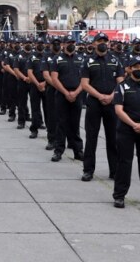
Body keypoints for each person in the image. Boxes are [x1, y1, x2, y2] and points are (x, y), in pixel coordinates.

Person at [80, 32, 124, 181]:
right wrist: (100, 96)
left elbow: (120, 82)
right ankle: (88, 170)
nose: (102, 43)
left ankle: (114, 170)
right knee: (91, 137)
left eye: (104, 41)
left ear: (109, 43)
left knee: (113, 138)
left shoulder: (115, 60)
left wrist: (111, 96)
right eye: (99, 41)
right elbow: (85, 84)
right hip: (94, 102)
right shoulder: (88, 61)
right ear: (93, 44)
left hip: (111, 103)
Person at [50, 35, 85, 162]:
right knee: (61, 123)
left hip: (77, 94)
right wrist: (66, 92)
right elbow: (54, 78)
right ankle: (58, 151)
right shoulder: (57, 59)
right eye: (68, 42)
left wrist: (76, 93)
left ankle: (78, 151)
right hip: (61, 94)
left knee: (75, 124)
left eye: (73, 42)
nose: (71, 44)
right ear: (63, 44)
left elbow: (85, 79)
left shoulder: (81, 58)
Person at [112, 55, 140, 208]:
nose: (138, 70)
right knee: (124, 162)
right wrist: (134, 124)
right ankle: (119, 195)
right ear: (129, 69)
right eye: (136, 67)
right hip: (126, 129)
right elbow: (118, 110)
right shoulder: (122, 86)